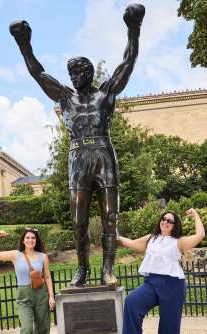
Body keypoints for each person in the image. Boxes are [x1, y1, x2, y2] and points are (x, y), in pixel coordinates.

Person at [9, 4, 145, 287]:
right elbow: (38, 73)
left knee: (110, 216)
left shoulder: (106, 93)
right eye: (70, 73)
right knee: (78, 221)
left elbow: (127, 64)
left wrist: (133, 29)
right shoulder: (65, 97)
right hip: (77, 157)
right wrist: (24, 44)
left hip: (103, 154)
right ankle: (82, 269)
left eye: (78, 72)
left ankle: (108, 269)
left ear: (89, 73)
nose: (73, 77)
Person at [119, 209, 205, 334]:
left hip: (172, 284)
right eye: (163, 219)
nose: (165, 222)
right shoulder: (151, 238)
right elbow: (130, 243)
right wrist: (112, 235)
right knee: (132, 301)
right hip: (151, 282)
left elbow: (200, 235)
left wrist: (196, 216)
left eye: (170, 221)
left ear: (174, 225)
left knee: (169, 322)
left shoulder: (179, 242)